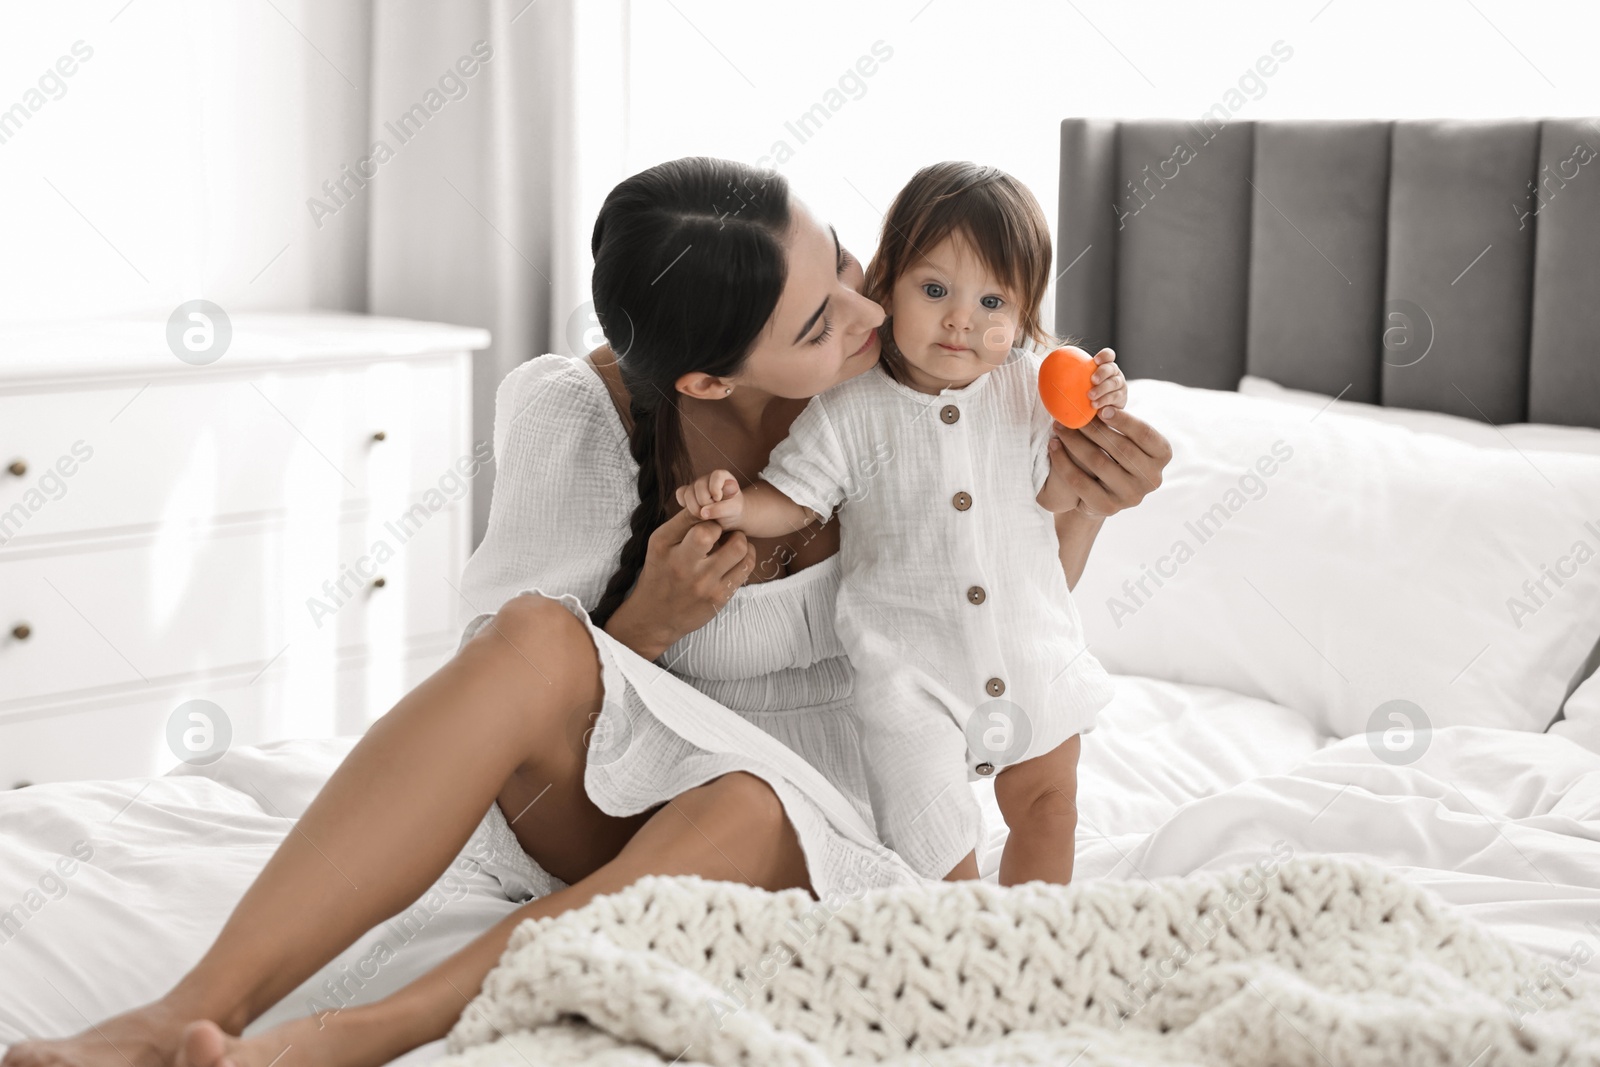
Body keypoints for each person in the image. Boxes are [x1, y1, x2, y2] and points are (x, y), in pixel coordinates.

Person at [1, 157, 1171, 1067]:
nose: (870, 318)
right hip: (611, 791)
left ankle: (352, 1036)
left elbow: (977, 635)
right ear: (711, 377)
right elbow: (507, 696)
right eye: (819, 323)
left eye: (850, 269)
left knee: (749, 800)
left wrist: (1077, 507)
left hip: (821, 810)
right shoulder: (591, 411)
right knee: (530, 632)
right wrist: (650, 620)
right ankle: (178, 1015)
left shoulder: (926, 376)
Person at [674, 161, 1128, 885]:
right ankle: (956, 933)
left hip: (1032, 654)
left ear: (1023, 316)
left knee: (1048, 803)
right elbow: (794, 499)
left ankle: (1040, 935)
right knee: (932, 836)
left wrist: (1103, 395)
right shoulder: (850, 410)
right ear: (886, 283)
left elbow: (1066, 477)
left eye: (992, 301)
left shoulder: (1029, 387)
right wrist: (734, 505)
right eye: (935, 289)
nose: (962, 320)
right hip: (910, 677)